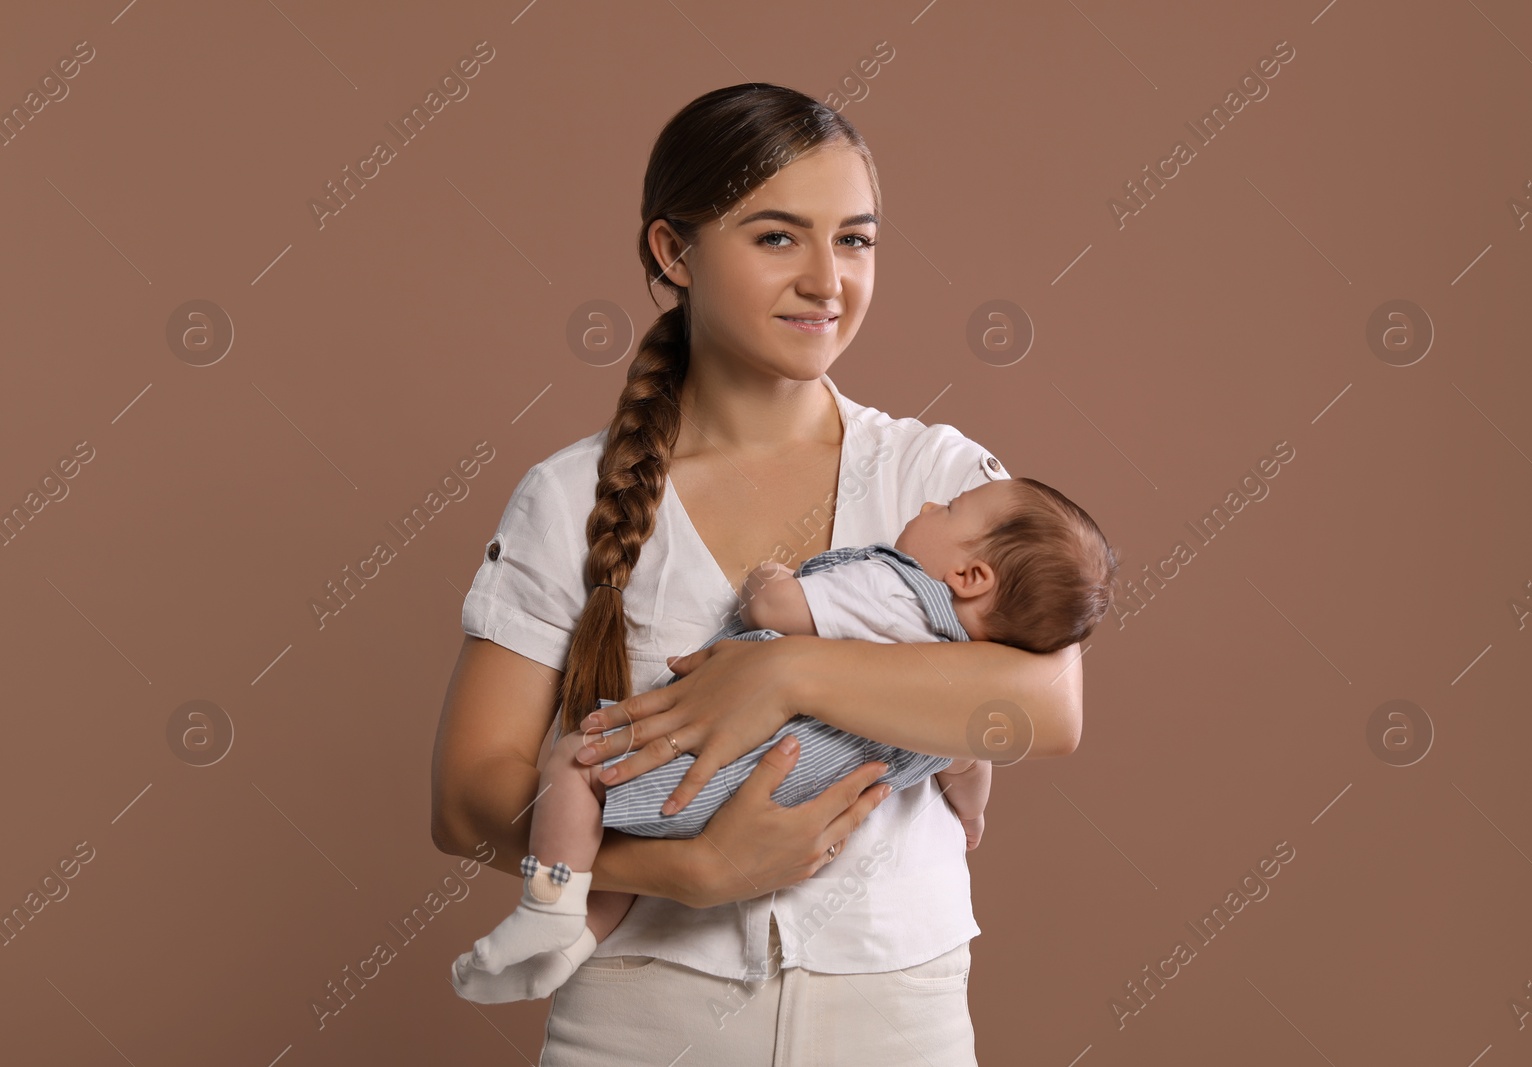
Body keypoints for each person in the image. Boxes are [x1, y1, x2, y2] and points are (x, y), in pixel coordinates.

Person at [430, 82, 1088, 1066]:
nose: (827, 279)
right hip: (638, 1023)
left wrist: (780, 673)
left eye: (856, 240)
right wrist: (686, 868)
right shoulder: (570, 494)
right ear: (672, 251)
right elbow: (465, 794)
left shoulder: (938, 478)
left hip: (894, 1015)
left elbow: (1046, 709)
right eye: (777, 236)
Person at [450, 476, 1117, 1004]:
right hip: (799, 796)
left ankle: (551, 906)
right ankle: (570, 946)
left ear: (970, 576)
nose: (931, 500)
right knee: (633, 841)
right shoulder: (955, 699)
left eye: (952, 507)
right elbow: (972, 760)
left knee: (578, 762)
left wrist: (766, 582)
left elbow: (774, 611)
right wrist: (972, 814)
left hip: (723, 763)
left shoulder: (895, 588)